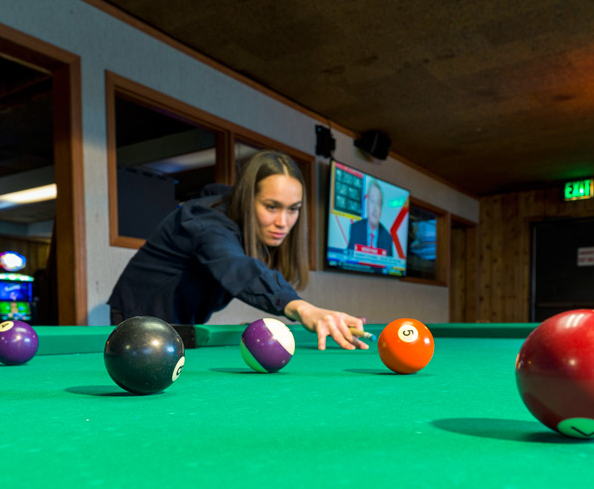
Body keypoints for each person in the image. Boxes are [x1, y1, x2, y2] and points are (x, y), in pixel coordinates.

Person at [108, 150, 368, 350]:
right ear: (247, 197)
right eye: (271, 206)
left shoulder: (246, 226)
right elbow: (240, 269)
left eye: (293, 209)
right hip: (138, 315)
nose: (283, 222)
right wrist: (302, 308)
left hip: (180, 321)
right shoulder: (206, 222)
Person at [346, 180, 393, 256]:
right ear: (367, 204)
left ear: (381, 208)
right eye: (372, 201)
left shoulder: (387, 239)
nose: (375, 209)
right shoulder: (355, 229)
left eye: (378, 204)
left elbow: (389, 267)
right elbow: (348, 260)